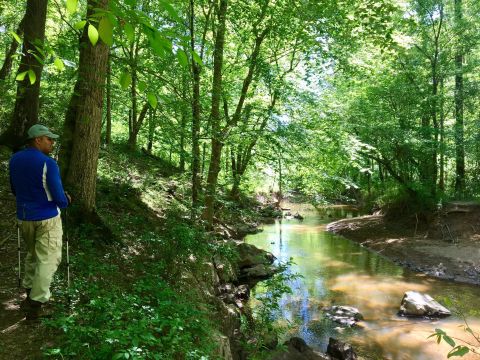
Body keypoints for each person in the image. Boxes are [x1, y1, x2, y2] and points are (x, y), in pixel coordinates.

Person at [9, 124, 71, 320]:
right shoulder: (48, 163)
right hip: (47, 218)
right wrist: (66, 200)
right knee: (48, 259)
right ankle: (36, 304)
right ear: (37, 140)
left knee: (33, 255)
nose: (52, 142)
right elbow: (59, 198)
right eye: (48, 139)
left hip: (24, 217)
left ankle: (29, 292)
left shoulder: (15, 160)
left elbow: (14, 189)